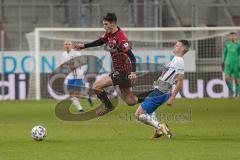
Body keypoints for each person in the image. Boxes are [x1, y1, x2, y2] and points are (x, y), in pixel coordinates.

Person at [75, 13, 142, 115]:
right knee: (131, 101)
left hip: (122, 71)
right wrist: (84, 46)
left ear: (113, 23)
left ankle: (108, 106)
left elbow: (132, 57)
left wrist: (133, 72)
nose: (104, 27)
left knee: (96, 86)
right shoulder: (110, 34)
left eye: (106, 24)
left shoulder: (121, 39)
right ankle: (156, 93)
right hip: (120, 70)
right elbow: (100, 41)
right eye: (103, 24)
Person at [135, 40, 190, 139]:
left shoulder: (179, 61)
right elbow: (167, 75)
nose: (174, 46)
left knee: (139, 115)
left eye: (177, 45)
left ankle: (160, 127)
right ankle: (158, 131)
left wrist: (172, 97)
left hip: (161, 91)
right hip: (159, 89)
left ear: (182, 49)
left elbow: (180, 81)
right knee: (148, 112)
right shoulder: (175, 59)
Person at [62, 40, 92, 112]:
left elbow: (83, 62)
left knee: (77, 94)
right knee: (71, 94)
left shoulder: (76, 53)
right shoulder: (64, 54)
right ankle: (80, 109)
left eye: (68, 44)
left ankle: (87, 97)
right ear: (64, 46)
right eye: (65, 44)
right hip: (70, 76)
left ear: (71, 45)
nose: (67, 46)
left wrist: (75, 66)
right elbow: (65, 64)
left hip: (79, 76)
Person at [222, 32, 240, 98]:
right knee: (226, 78)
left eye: (233, 36)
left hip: (236, 64)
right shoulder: (227, 44)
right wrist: (222, 62)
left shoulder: (239, 44)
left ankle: (237, 94)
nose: (232, 37)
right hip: (228, 64)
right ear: (229, 37)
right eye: (231, 36)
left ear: (236, 36)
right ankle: (231, 91)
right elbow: (224, 54)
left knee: (236, 80)